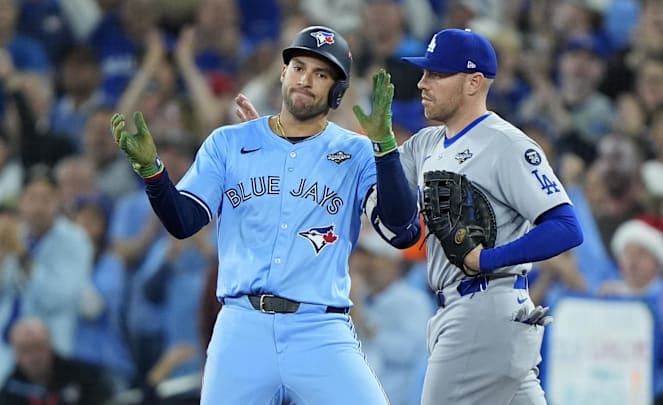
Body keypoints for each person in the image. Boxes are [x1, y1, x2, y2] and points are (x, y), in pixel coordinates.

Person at [235, 28, 584, 405]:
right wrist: (280, 147)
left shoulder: (507, 144)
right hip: (477, 313)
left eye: (437, 74)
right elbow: (357, 180)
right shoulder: (428, 142)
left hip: (484, 310)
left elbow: (565, 227)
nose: (423, 82)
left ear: (474, 82)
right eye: (424, 72)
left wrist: (487, 259)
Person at [110, 25, 421, 405]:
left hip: (319, 326)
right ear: (283, 73)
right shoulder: (229, 142)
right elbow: (183, 222)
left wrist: (386, 149)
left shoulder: (355, 151)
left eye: (321, 74)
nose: (306, 79)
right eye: (299, 67)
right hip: (242, 325)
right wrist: (155, 174)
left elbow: (401, 230)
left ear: (337, 90)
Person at [0, 318, 113, 405]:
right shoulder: (11, 389)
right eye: (25, 350)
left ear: (50, 345)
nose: (33, 357)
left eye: (38, 347)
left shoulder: (83, 376)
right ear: (15, 354)